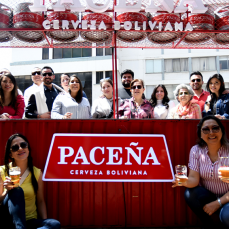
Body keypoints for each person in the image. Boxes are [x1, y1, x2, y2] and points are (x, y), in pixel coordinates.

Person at [172, 116, 229, 228]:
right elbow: (194, 179)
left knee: (227, 216)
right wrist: (183, 181)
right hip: (209, 196)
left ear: (221, 131)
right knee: (190, 193)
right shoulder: (196, 150)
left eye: (215, 128)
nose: (211, 132)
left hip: (227, 198)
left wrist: (218, 203)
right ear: (201, 134)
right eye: (206, 130)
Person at [0, 133, 61, 229]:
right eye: (15, 147)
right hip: (9, 220)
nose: (20, 148)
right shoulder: (2, 171)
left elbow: (40, 201)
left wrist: (44, 221)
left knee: (54, 224)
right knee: (16, 190)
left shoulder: (36, 173)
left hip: (29, 221)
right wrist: (7, 191)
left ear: (28, 149)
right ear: (10, 154)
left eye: (23, 145)